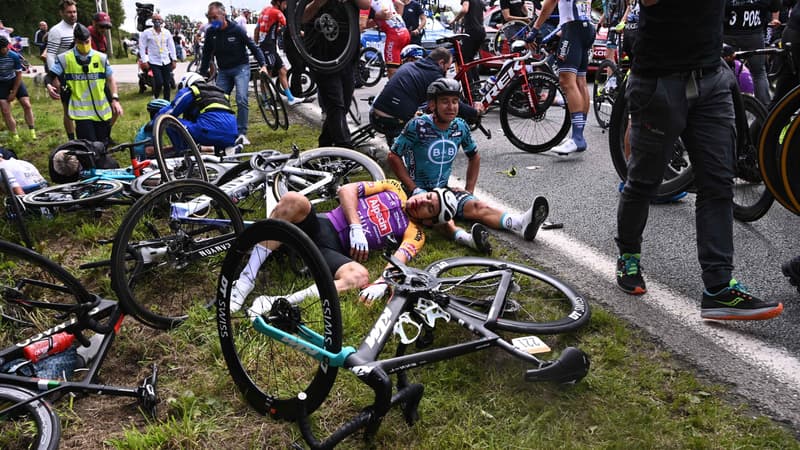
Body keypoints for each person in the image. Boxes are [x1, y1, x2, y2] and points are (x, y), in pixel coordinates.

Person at [614, 0, 783, 321]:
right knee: (643, 181)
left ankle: (718, 287)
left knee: (718, 181)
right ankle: (629, 254)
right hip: (659, 80)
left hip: (711, 77)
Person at [388, 78, 549, 254]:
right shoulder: (417, 126)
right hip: (416, 194)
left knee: (477, 206)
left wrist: (469, 191)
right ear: (432, 105)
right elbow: (393, 156)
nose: (451, 107)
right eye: (445, 102)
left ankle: (520, 223)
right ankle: (467, 239)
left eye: (455, 102)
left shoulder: (460, 126)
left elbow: (474, 156)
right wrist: (415, 189)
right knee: (442, 216)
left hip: (442, 190)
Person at [229, 179, 436, 311]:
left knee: (360, 276)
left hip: (334, 251)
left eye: (429, 208)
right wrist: (355, 226)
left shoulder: (415, 233)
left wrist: (382, 282)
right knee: (294, 199)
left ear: (429, 221)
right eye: (427, 196)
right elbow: (346, 190)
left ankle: (280, 301)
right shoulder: (394, 187)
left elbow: (398, 260)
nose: (421, 202)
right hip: (322, 225)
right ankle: (246, 280)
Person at [370, 46, 480, 146]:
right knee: (438, 124)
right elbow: (454, 105)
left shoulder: (411, 66)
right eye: (447, 67)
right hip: (392, 123)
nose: (446, 70)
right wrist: (475, 112)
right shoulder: (434, 77)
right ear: (441, 63)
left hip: (375, 115)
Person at [526, 0, 596, 155]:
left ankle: (577, 138)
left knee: (566, 81)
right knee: (580, 81)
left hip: (573, 28)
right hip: (586, 27)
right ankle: (578, 137)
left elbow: (550, 3)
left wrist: (535, 29)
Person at [304, 0, 371, 148]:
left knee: (343, 105)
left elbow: (366, 4)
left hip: (347, 57)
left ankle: (325, 147)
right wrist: (317, 3)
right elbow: (301, 17)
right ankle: (347, 151)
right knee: (336, 105)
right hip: (323, 58)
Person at [200, 1, 268, 145]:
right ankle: (224, 130)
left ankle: (242, 133)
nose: (211, 21)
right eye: (209, 18)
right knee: (218, 101)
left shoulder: (237, 30)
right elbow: (206, 55)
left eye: (214, 17)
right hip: (224, 71)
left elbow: (253, 47)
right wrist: (201, 75)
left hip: (241, 68)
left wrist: (263, 65)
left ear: (223, 15)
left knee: (241, 98)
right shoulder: (211, 32)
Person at [45, 24, 123, 145]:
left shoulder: (101, 58)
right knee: (89, 147)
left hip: (101, 111)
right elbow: (49, 76)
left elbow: (111, 79)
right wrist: (49, 85)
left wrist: (115, 98)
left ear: (90, 39)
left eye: (87, 42)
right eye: (81, 42)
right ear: (76, 41)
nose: (85, 45)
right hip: (81, 112)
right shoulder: (65, 58)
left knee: (103, 146)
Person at [152, 72, 239, 155]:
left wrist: (154, 121)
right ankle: (223, 152)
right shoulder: (221, 94)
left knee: (169, 121)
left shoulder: (191, 91)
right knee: (205, 123)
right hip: (232, 134)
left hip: (208, 132)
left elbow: (171, 111)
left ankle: (183, 153)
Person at [723, 0, 780, 106]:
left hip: (729, 32)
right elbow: (775, 6)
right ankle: (764, 111)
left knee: (724, 72)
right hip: (754, 33)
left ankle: (726, 107)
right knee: (758, 73)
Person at [254, 0, 305, 105]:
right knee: (266, 76)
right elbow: (290, 27)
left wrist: (256, 47)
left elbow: (257, 29)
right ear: (278, 2)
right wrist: (300, 33)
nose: (286, 6)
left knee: (282, 71)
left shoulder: (265, 10)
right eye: (285, 3)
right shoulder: (277, 13)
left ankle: (291, 99)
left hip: (266, 46)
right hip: (269, 48)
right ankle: (266, 102)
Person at [46, 0, 79, 140]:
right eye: (69, 12)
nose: (72, 15)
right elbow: (51, 54)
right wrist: (54, 77)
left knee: (80, 106)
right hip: (63, 73)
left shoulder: (78, 27)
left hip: (78, 72)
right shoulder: (56, 30)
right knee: (68, 109)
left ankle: (84, 136)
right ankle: (72, 139)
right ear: (62, 13)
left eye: (74, 12)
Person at [0, 36, 36, 143]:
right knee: (5, 110)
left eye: (6, 48)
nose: (4, 51)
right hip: (1, 83)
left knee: (26, 104)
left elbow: (19, 74)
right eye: (1, 49)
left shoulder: (14, 56)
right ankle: (15, 135)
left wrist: (14, 92)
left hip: (15, 80)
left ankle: (32, 130)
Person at [139, 14, 177, 101]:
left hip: (166, 60)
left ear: (162, 21)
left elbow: (171, 46)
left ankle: (166, 102)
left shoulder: (166, 32)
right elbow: (142, 46)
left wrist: (174, 60)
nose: (157, 21)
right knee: (159, 82)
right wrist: (144, 60)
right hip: (154, 61)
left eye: (159, 19)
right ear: (152, 21)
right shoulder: (147, 33)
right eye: (155, 20)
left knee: (167, 83)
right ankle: (155, 97)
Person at [371, 0, 411, 78]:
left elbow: (385, 12)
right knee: (401, 66)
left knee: (392, 69)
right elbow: (400, 4)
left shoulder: (368, 2)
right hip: (404, 31)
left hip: (394, 37)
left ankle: (395, 88)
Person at [453, 0, 486, 84]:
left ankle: (470, 85)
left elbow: (464, 10)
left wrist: (455, 20)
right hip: (481, 31)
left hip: (471, 31)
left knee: (464, 59)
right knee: (471, 58)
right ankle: (476, 83)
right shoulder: (480, 1)